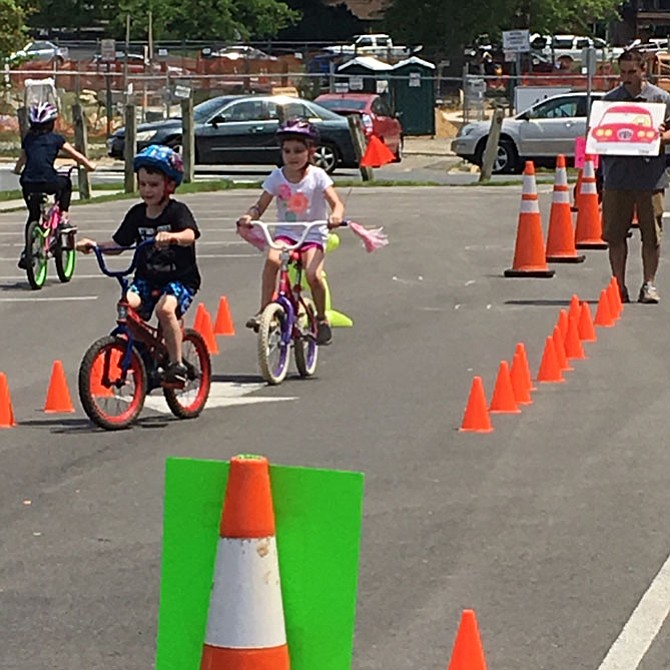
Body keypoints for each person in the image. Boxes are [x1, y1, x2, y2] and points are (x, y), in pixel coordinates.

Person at [76, 145, 201, 384]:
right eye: (143, 184)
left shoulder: (177, 211)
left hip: (180, 279)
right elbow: (119, 243)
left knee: (164, 310)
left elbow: (190, 234)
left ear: (170, 185)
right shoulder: (137, 214)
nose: (147, 190)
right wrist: (95, 246)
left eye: (153, 185)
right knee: (126, 307)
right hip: (147, 278)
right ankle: (146, 357)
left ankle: (176, 364)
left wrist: (173, 237)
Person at [237, 118, 344, 345]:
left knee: (313, 275)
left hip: (313, 233)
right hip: (286, 233)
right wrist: (250, 217)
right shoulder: (276, 177)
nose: (292, 156)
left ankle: (322, 317)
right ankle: (265, 311)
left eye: (298, 150)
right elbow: (260, 205)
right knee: (273, 261)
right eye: (287, 151)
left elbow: (337, 203)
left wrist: (336, 215)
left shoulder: (317, 176)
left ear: (310, 151)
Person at [600, 48, 670, 303]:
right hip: (617, 177)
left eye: (632, 72)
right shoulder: (609, 100)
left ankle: (649, 284)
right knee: (615, 235)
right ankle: (618, 286)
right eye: (623, 72)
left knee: (651, 234)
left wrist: (661, 136)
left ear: (643, 70)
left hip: (650, 177)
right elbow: (596, 134)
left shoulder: (661, 99)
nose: (626, 77)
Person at [14, 101, 96, 268]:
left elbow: (22, 160)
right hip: (49, 181)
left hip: (28, 182)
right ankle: (63, 215)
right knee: (65, 183)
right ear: (52, 123)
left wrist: (17, 170)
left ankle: (27, 251)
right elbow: (76, 156)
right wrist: (89, 166)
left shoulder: (28, 139)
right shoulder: (56, 139)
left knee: (33, 215)